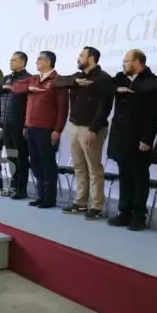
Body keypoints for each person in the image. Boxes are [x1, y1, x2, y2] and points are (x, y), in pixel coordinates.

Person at [106, 50, 157, 231]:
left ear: (138, 62)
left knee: (139, 177)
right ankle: (124, 212)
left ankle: (139, 215)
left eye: (126, 61)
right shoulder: (120, 78)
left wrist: (147, 138)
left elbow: (154, 114)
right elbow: (101, 86)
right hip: (120, 137)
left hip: (139, 138)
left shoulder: (152, 82)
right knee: (124, 175)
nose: (123, 64)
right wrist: (116, 89)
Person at [55, 47, 115, 220]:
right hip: (75, 126)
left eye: (82, 56)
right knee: (79, 166)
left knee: (94, 168)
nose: (78, 58)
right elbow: (57, 82)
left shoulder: (103, 78)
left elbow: (104, 107)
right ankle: (81, 202)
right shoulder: (77, 76)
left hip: (91, 128)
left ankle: (97, 206)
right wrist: (76, 82)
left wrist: (93, 129)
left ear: (92, 58)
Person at [11, 51, 68, 209]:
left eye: (39, 59)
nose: (36, 62)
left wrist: (58, 130)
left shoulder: (57, 81)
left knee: (48, 163)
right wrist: (28, 87)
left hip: (47, 129)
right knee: (35, 163)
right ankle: (41, 195)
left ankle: (49, 198)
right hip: (31, 127)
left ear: (48, 62)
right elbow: (15, 87)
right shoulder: (34, 79)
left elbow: (63, 109)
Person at [0, 52, 33, 199]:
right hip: (6, 123)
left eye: (14, 60)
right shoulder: (7, 78)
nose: (11, 62)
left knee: (21, 157)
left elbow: (29, 104)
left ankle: (21, 188)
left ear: (22, 62)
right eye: (10, 60)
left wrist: (26, 125)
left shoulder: (28, 78)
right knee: (11, 157)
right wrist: (1, 125)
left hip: (19, 123)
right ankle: (13, 186)